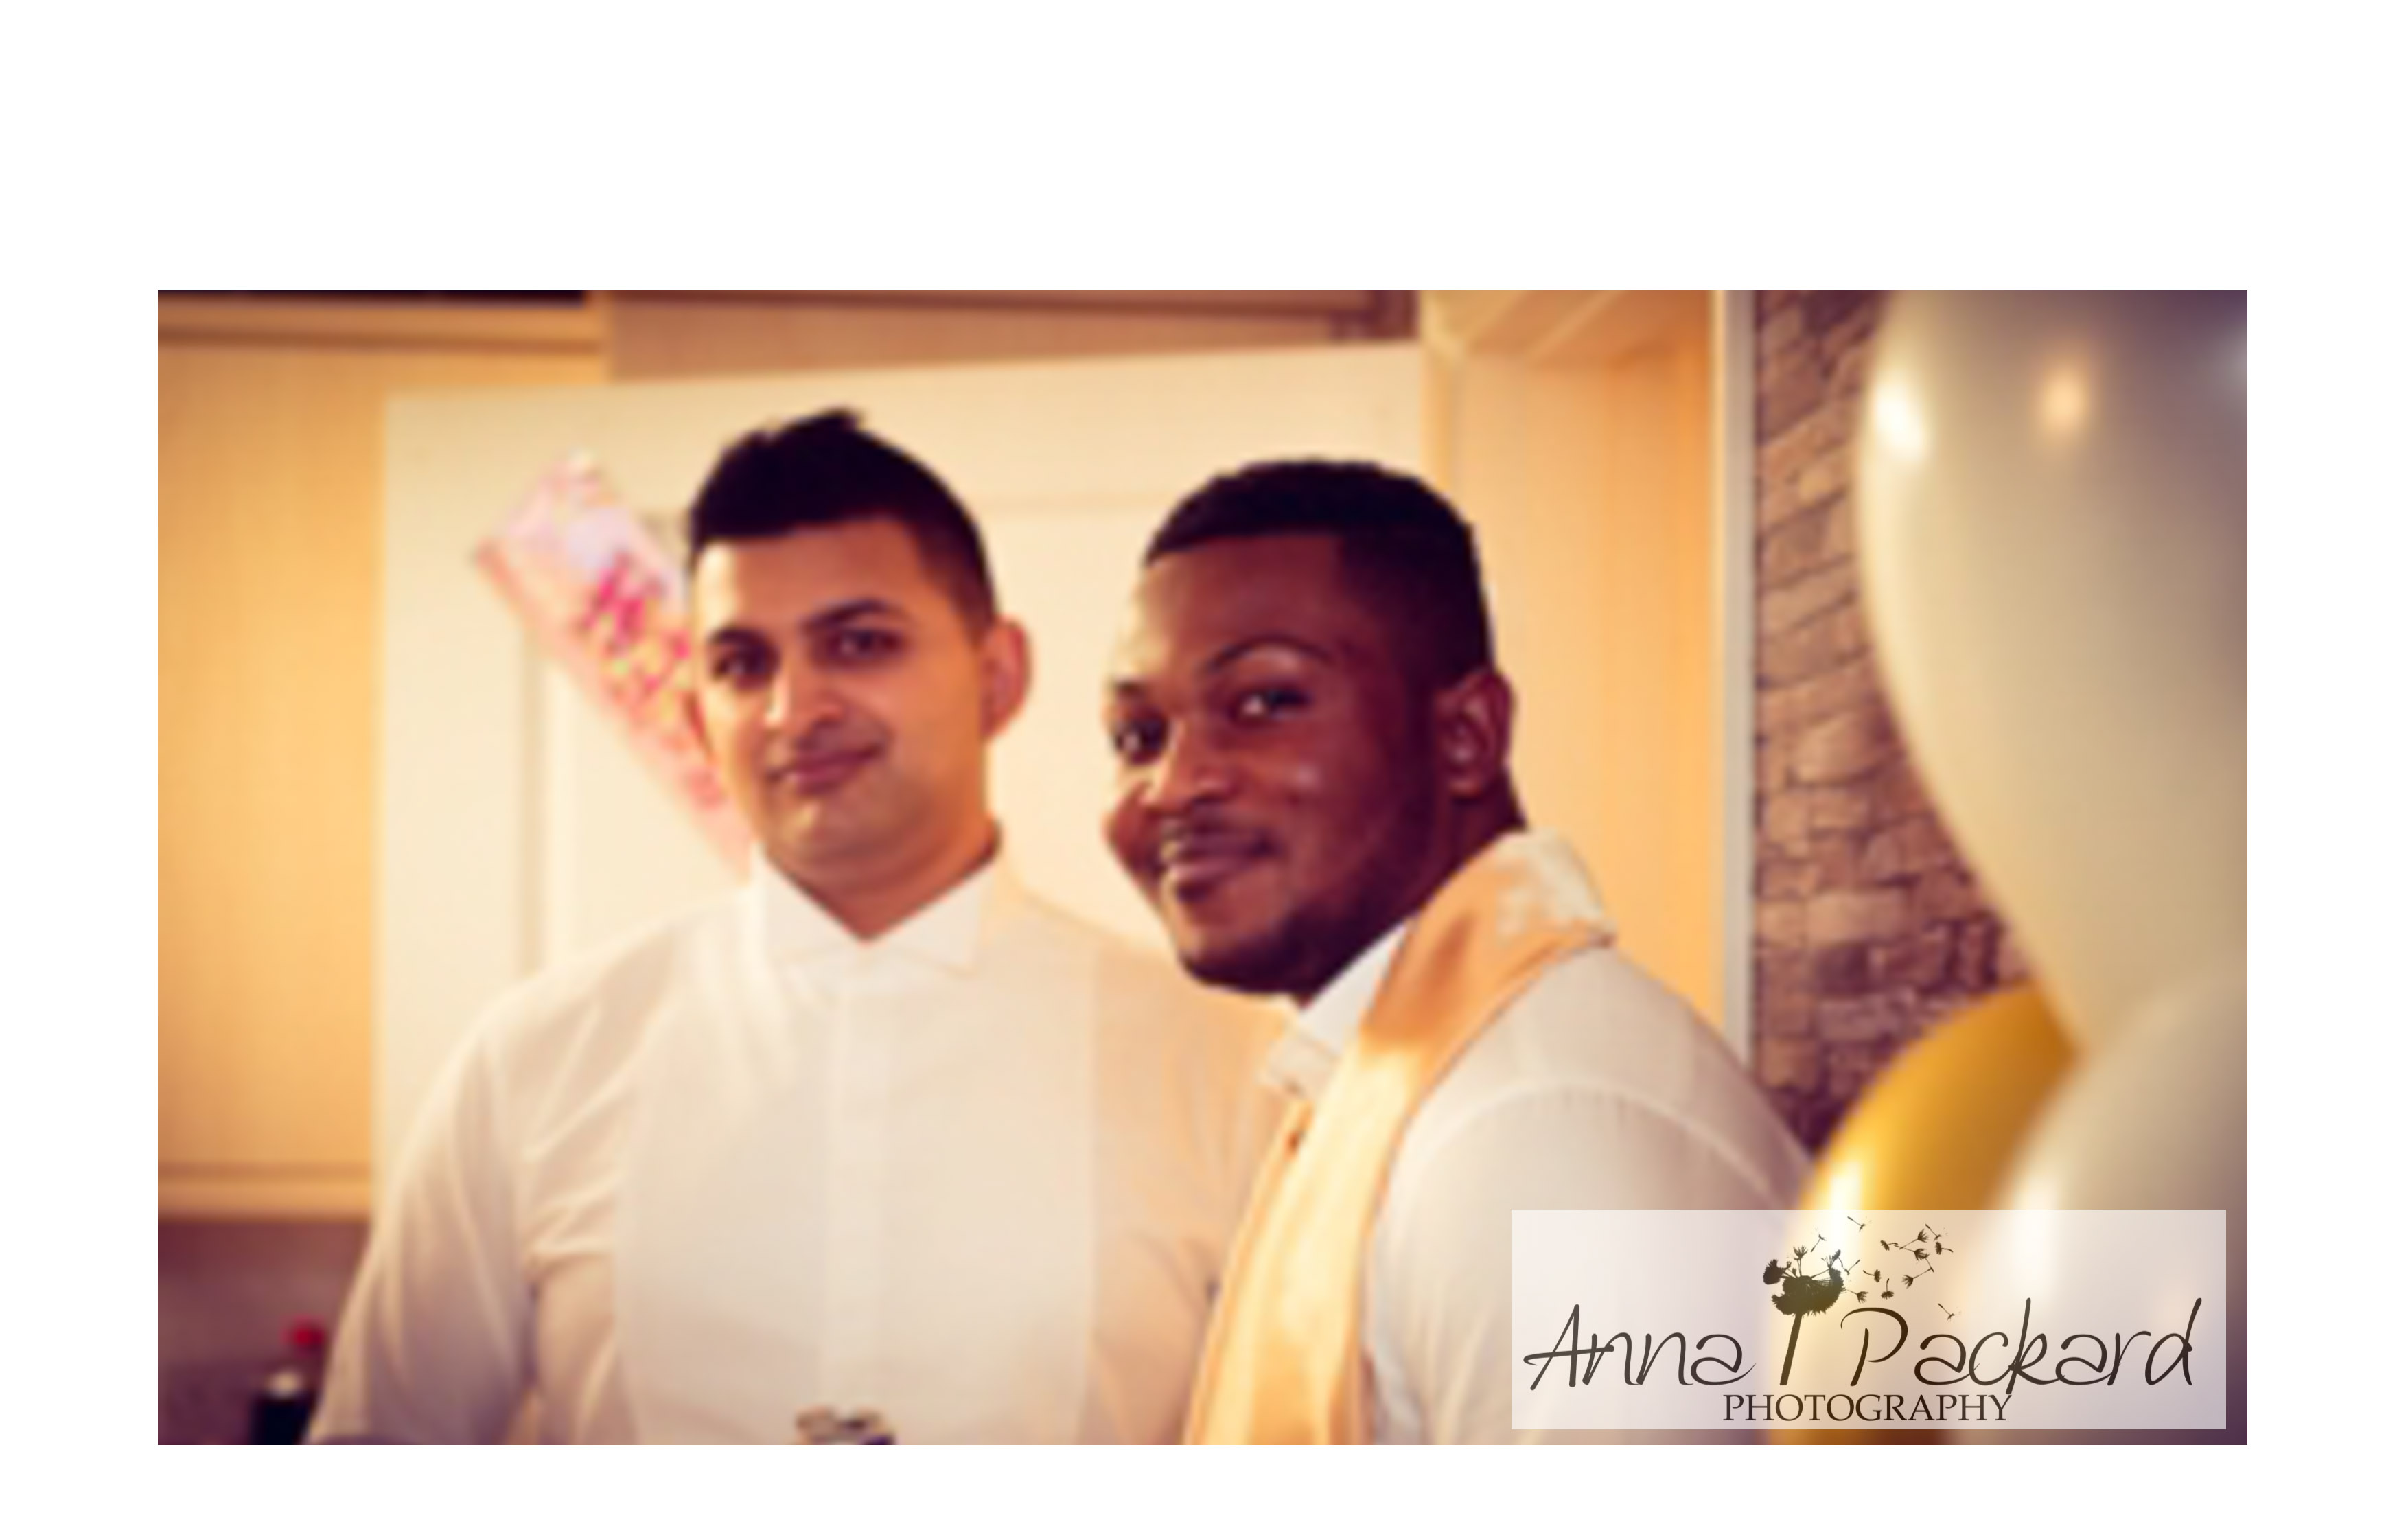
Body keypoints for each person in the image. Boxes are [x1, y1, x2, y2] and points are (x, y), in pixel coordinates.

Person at [314, 411, 1280, 1443]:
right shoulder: (534, 1063)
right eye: (741, 664)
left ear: (998, 677)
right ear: (698, 718)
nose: (794, 710)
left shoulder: (1227, 1067)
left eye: (859, 644)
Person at [1102, 459, 1809, 1444]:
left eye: (1264, 702)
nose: (1172, 787)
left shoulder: (1537, 1129)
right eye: (1139, 735)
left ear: (1468, 737)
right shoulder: (1404, 1079)